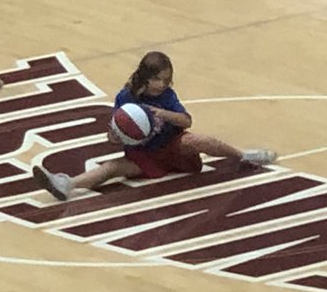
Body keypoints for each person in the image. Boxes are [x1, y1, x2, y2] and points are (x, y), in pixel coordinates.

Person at [33, 52, 277, 201]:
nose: (163, 84)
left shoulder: (167, 96)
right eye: (159, 79)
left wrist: (163, 114)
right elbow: (114, 136)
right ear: (145, 77)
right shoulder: (125, 98)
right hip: (142, 154)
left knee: (201, 141)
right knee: (110, 168)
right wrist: (116, 136)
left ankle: (244, 156)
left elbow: (187, 121)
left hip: (172, 147)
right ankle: (66, 185)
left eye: (167, 79)